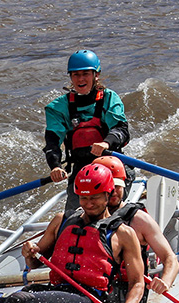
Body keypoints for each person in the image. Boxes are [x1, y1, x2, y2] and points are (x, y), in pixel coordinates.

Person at [0, 163, 144, 303]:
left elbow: (137, 282)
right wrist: (29, 253)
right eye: (84, 198)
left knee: (20, 300)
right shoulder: (62, 220)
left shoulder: (123, 233)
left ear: (108, 194)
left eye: (94, 198)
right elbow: (35, 262)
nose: (88, 204)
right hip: (54, 294)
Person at [43, 50, 130, 214]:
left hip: (112, 166)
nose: (81, 79)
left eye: (86, 74)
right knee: (72, 217)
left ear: (96, 75)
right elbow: (52, 141)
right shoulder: (58, 107)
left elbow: (122, 130)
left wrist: (106, 143)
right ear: (70, 77)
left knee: (111, 215)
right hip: (82, 170)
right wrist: (55, 166)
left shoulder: (109, 98)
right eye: (76, 75)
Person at [92, 155, 179, 303]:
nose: (113, 192)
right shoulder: (82, 216)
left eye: (117, 186)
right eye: (108, 186)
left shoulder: (139, 220)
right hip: (91, 289)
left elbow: (170, 258)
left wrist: (165, 281)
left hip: (126, 293)